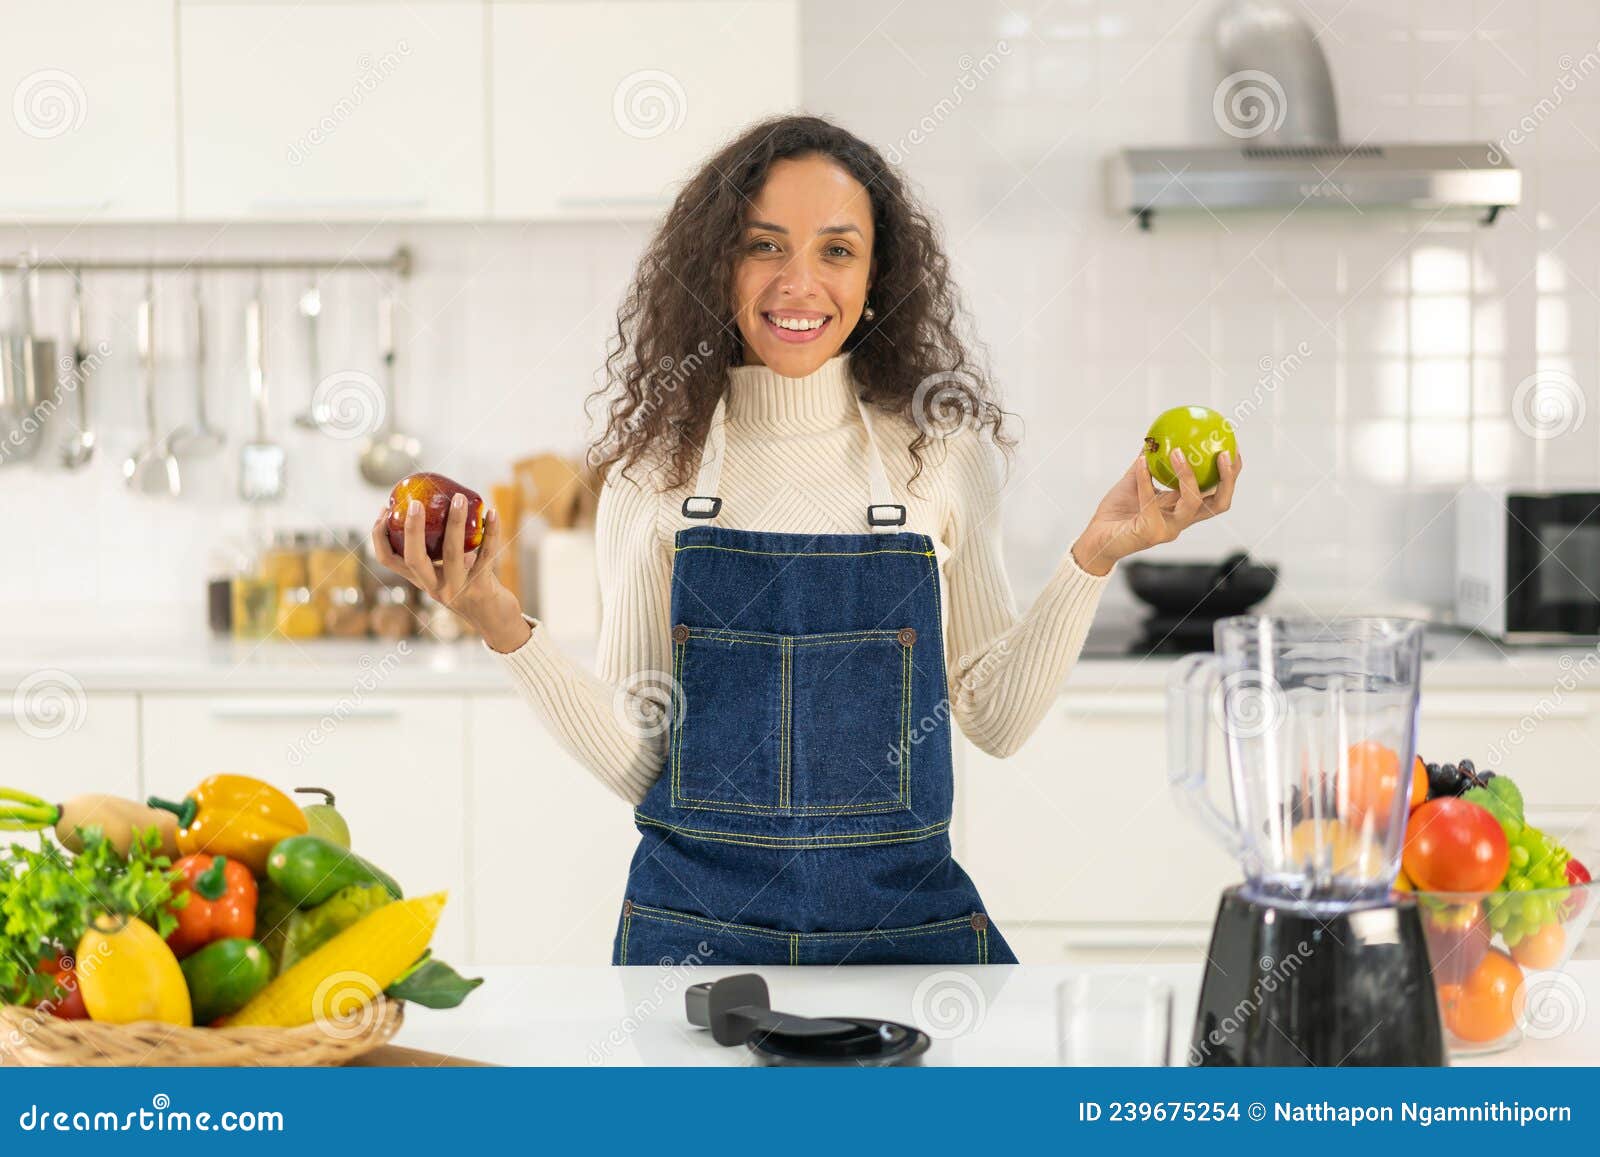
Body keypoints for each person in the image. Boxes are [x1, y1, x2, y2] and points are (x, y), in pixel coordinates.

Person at [373, 114, 1242, 965]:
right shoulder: (652, 477)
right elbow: (646, 756)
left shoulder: (937, 456)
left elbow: (996, 719)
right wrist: (497, 619)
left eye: (836, 250)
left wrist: (1094, 554)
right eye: (764, 245)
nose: (799, 282)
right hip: (697, 942)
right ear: (718, 265)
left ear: (875, 277)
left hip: (906, 941)